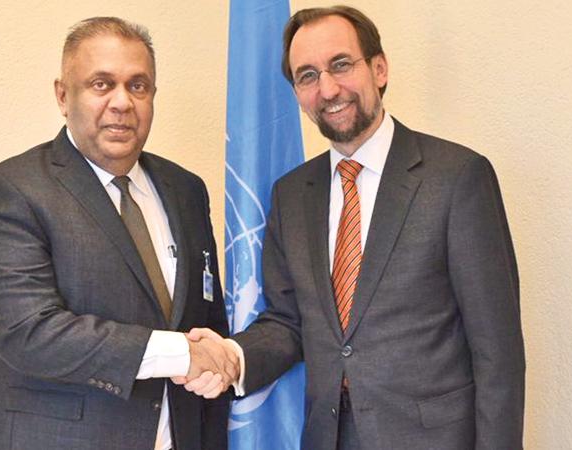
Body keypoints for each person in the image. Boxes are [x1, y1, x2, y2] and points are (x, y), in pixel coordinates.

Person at [181, 5, 525, 449]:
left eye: (340, 65)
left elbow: (498, 350)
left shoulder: (457, 178)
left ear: (378, 69)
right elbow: (288, 323)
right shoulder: (292, 194)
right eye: (307, 76)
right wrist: (231, 356)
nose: (327, 88)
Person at [0, 17, 235, 450]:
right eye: (101, 84)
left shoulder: (185, 189)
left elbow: (207, 319)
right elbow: (28, 333)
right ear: (62, 95)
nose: (122, 102)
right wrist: (182, 353)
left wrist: (217, 364)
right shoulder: (12, 190)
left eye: (138, 85)